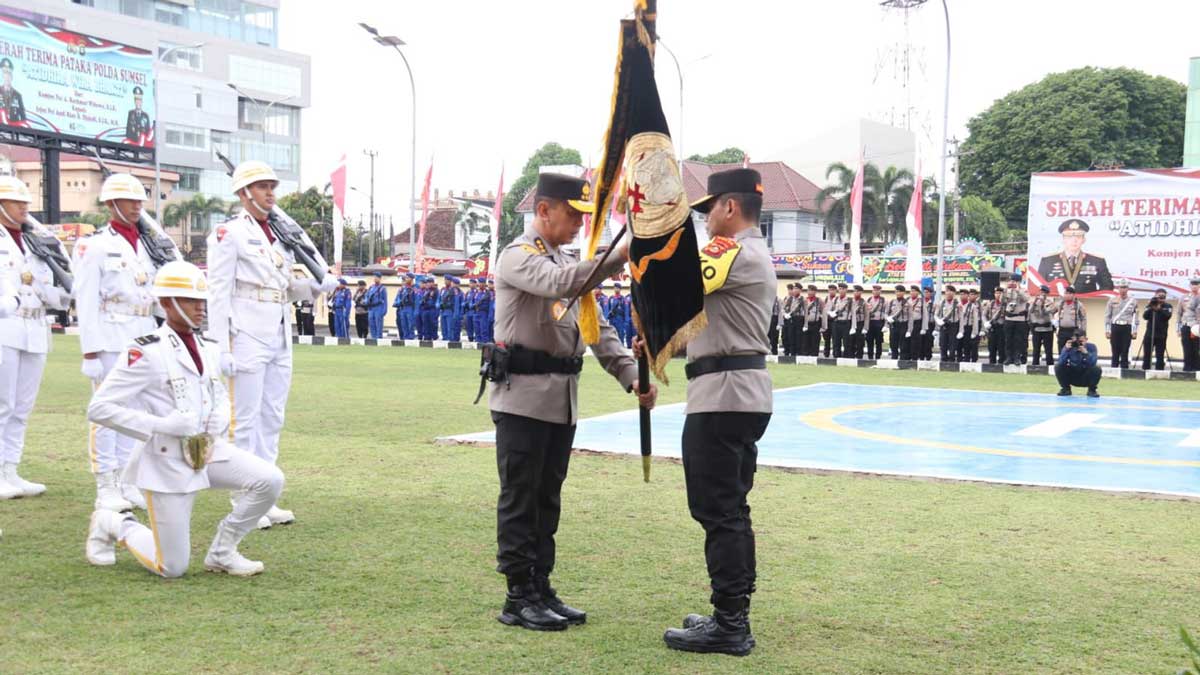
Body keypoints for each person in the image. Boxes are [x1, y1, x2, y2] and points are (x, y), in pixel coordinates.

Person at [488, 173, 656, 632]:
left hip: (560, 401)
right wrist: (616, 257)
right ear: (543, 211)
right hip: (522, 398)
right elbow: (562, 283)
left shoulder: (567, 261)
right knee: (521, 498)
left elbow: (596, 327)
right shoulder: (518, 257)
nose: (582, 223)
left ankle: (541, 585)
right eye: (573, 214)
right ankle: (517, 594)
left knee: (547, 499)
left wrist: (629, 376)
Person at [84, 261, 284, 578]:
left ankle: (223, 551)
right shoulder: (145, 352)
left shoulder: (207, 347)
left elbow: (216, 391)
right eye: (191, 300)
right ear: (166, 303)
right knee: (172, 567)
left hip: (207, 450)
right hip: (167, 461)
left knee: (269, 480)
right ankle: (113, 523)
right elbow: (100, 408)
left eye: (202, 301)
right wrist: (160, 426)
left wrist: (221, 414)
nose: (200, 308)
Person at [661, 168, 773, 657]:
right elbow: (703, 316)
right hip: (737, 390)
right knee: (730, 508)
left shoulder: (731, 250)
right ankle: (731, 612)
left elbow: (674, 283)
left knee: (719, 510)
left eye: (709, 211)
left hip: (723, 394)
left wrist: (651, 236)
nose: (706, 222)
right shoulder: (751, 255)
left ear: (730, 207)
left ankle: (730, 624)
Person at [206, 160, 337, 529]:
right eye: (262, 186)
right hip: (245, 333)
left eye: (271, 186)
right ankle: (244, 496)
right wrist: (220, 345)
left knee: (272, 417)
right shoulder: (228, 234)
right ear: (244, 193)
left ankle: (265, 495)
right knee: (245, 420)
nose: (270, 193)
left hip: (279, 330)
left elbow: (282, 287)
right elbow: (218, 292)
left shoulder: (280, 235)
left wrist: (314, 286)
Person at [74, 173, 182, 512]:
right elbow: (86, 300)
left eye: (140, 200)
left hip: (143, 331)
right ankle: (105, 483)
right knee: (107, 414)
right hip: (109, 334)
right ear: (111, 204)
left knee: (136, 413)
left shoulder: (150, 246)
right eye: (129, 200)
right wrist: (89, 350)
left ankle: (126, 480)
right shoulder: (93, 246)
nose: (137, 206)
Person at [0, 176, 71, 499]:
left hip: (35, 327)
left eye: (26, 203)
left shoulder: (35, 242)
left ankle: (10, 470)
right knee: (3, 403)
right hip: (6, 326)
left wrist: (64, 293)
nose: (24, 209)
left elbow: (53, 287)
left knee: (22, 407)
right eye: (17, 203)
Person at [1036, 219, 1113, 293]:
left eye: (1078, 237)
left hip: (1086, 305)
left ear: (1084, 240)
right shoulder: (1048, 261)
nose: (1074, 240)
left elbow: (1108, 287)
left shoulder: (1097, 261)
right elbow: (1039, 287)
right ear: (1063, 239)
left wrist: (1093, 302)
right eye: (1069, 237)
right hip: (1056, 305)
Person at [1104, 278, 1138, 369]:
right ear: (1118, 289)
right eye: (1121, 287)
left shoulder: (1133, 301)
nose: (1123, 289)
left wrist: (1135, 331)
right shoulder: (1112, 300)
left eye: (1125, 287)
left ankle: (1124, 370)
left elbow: (1135, 317)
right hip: (1115, 326)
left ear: (1128, 288)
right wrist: (1107, 330)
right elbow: (1108, 316)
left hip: (1127, 327)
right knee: (1115, 350)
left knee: (1125, 349)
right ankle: (1113, 369)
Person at [1055, 330, 1101, 398]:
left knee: (1097, 368)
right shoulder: (1069, 347)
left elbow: (1093, 362)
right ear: (1072, 339)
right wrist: (1066, 350)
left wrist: (1086, 353)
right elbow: (1061, 362)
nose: (1079, 344)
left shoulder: (1092, 347)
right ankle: (1065, 389)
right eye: (1077, 341)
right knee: (1058, 366)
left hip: (1086, 376)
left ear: (1086, 339)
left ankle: (1092, 390)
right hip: (1072, 375)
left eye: (1081, 341)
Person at [1140, 288, 1172, 370]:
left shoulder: (1168, 306)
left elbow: (1167, 316)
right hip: (1149, 334)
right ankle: (1146, 370)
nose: (1161, 298)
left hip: (1161, 335)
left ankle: (1159, 371)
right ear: (1155, 296)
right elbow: (1145, 317)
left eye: (1163, 297)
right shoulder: (1150, 305)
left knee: (1160, 354)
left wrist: (1159, 309)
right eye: (1159, 296)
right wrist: (1151, 307)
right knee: (1147, 354)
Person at [1001, 274, 1029, 365]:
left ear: (1018, 281)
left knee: (1018, 340)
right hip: (1009, 318)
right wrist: (1005, 291)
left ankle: (1017, 358)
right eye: (1011, 281)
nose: (1012, 282)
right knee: (1008, 339)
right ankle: (1008, 357)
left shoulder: (1024, 290)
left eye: (1014, 281)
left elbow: (1026, 299)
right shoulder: (1007, 290)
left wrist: (1018, 290)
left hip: (1019, 319)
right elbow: (1002, 301)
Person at [1028, 284, 1056, 366]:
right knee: (1036, 349)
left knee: (1048, 350)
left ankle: (1050, 365)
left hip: (1047, 329)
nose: (1041, 294)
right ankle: (1035, 365)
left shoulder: (1050, 303)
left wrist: (1043, 304)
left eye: (1043, 292)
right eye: (1040, 292)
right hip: (1037, 328)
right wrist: (1034, 303)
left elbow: (1045, 312)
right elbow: (1030, 311)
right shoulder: (1034, 301)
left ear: (1047, 294)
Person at [1054, 286, 1086, 353]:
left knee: (1074, 350)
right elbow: (1050, 312)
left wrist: (1083, 332)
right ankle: (1062, 363)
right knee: (1061, 350)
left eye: (1069, 293)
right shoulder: (1060, 304)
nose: (1066, 295)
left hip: (1074, 331)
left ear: (1073, 295)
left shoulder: (1079, 305)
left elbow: (1083, 319)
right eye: (1065, 293)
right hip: (1062, 330)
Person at [934, 285, 960, 362]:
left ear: (954, 293)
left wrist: (961, 330)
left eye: (950, 291)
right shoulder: (941, 303)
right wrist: (938, 323)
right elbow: (936, 315)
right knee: (943, 343)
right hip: (943, 325)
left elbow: (961, 318)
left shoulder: (958, 304)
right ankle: (943, 359)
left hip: (953, 325)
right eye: (947, 291)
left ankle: (951, 360)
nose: (948, 293)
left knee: (952, 344)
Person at [1179, 278, 1200, 371]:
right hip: (1186, 325)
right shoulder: (1184, 297)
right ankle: (1187, 369)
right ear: (1190, 285)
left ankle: (1197, 369)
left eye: (1196, 284)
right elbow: (1179, 313)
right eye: (1193, 284)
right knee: (1186, 348)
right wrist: (1178, 328)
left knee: (1196, 348)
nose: (1194, 285)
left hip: (1197, 326)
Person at [958, 288, 982, 363]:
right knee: (959, 345)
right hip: (959, 327)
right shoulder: (958, 305)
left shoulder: (973, 306)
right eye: (961, 294)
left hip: (969, 327)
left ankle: (971, 360)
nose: (962, 296)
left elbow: (978, 318)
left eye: (964, 294)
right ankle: (960, 360)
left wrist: (975, 331)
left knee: (970, 345)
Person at [0, 57, 26, 126]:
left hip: (14, 130)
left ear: (12, 77)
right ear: (2, 76)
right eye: (5, 75)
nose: (7, 78)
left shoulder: (18, 95)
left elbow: (23, 117)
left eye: (9, 75)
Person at [983, 287, 1006, 364]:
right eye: (996, 293)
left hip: (1002, 327)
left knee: (1001, 347)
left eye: (1000, 293)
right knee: (991, 347)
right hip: (992, 328)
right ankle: (991, 363)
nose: (998, 295)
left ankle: (1001, 363)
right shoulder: (991, 303)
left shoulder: (1006, 304)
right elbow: (984, 315)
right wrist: (986, 322)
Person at [800, 284, 824, 356]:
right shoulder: (804, 300)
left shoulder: (819, 300)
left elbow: (823, 313)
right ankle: (805, 355)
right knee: (805, 341)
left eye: (811, 290)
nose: (809, 292)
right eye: (808, 290)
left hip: (815, 323)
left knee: (815, 341)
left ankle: (814, 355)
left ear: (815, 292)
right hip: (806, 324)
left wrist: (823, 326)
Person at [828, 282, 851, 357]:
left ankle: (846, 358)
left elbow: (853, 314)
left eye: (843, 289)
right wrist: (831, 313)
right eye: (840, 289)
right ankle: (836, 357)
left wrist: (853, 326)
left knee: (846, 342)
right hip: (836, 322)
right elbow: (828, 309)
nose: (841, 290)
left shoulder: (850, 300)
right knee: (835, 342)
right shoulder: (835, 299)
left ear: (846, 290)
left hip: (845, 323)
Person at [886, 285, 908, 359]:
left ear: (903, 292)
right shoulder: (892, 302)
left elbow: (910, 317)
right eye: (896, 291)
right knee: (893, 342)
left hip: (903, 324)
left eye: (899, 291)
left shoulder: (907, 303)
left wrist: (910, 329)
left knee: (903, 343)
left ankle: (902, 359)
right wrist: (887, 320)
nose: (898, 293)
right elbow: (886, 313)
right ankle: (894, 358)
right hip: (894, 324)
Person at [864, 284, 886, 360]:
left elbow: (886, 312)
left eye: (877, 290)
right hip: (870, 323)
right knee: (869, 340)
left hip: (879, 322)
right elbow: (866, 312)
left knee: (878, 341)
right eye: (874, 290)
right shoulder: (869, 299)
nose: (876, 292)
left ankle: (878, 357)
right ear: (872, 291)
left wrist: (885, 325)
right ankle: (870, 357)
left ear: (880, 291)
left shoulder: (883, 300)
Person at [439, 275, 463, 341]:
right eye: (445, 280)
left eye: (446, 280)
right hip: (443, 310)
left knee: (450, 328)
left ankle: (450, 341)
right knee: (444, 328)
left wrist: (456, 313)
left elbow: (457, 303)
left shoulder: (455, 291)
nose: (445, 281)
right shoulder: (443, 290)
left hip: (450, 311)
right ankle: (445, 339)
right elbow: (440, 299)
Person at [364, 272, 387, 339]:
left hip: (378, 307)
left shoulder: (382, 288)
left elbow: (385, 300)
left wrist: (384, 310)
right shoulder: (371, 287)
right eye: (374, 277)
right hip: (371, 308)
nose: (375, 279)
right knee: (371, 323)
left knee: (378, 324)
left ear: (380, 278)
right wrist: (366, 301)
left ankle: (378, 338)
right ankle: (373, 338)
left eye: (376, 277)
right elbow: (367, 296)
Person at [393, 273, 416, 339]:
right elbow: (398, 298)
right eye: (405, 278)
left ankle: (411, 338)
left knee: (410, 325)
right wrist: (397, 303)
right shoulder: (402, 289)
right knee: (404, 325)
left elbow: (417, 300)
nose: (406, 279)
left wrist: (416, 311)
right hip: (403, 308)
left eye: (407, 278)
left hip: (410, 308)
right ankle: (405, 338)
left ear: (411, 279)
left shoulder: (415, 288)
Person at [848, 284, 867, 358]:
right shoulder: (849, 301)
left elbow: (866, 316)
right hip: (851, 323)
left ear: (861, 292)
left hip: (860, 323)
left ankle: (859, 356)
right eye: (854, 291)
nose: (855, 293)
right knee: (850, 340)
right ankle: (851, 356)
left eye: (857, 291)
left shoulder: (863, 302)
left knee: (860, 341)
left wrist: (865, 327)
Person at [476, 278, 494, 343]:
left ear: (484, 284)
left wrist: (490, 315)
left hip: (484, 313)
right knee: (477, 329)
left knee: (484, 329)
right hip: (477, 312)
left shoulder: (488, 293)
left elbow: (491, 305)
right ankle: (478, 343)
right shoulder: (477, 292)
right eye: (478, 283)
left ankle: (485, 343)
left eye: (480, 283)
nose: (479, 284)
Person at [821, 284, 837, 357]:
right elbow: (823, 310)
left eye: (833, 290)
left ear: (836, 291)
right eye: (830, 290)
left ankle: (835, 353)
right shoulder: (826, 299)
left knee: (835, 338)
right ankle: (826, 353)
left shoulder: (837, 299)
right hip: (827, 321)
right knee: (826, 338)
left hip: (834, 321)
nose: (831, 291)